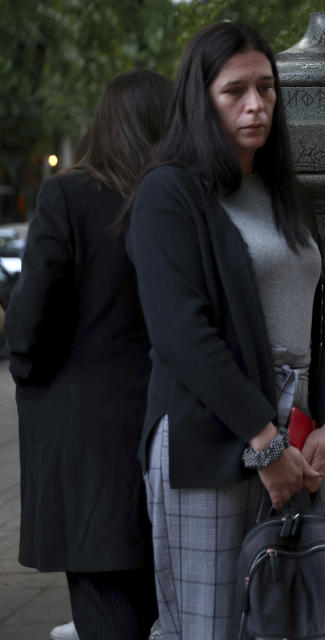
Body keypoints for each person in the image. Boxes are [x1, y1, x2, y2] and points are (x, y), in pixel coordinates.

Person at [125, 21, 325, 640]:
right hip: (211, 434)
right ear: (200, 98)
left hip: (297, 433)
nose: (256, 105)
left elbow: (321, 314)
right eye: (234, 92)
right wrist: (263, 442)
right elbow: (182, 337)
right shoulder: (168, 193)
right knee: (212, 625)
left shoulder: (284, 193)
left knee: (296, 617)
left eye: (266, 87)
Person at [6, 68, 172, 640]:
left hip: (83, 443)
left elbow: (31, 318)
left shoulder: (70, 195)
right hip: (170, 430)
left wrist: (25, 367)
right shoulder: (181, 201)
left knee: (105, 607)